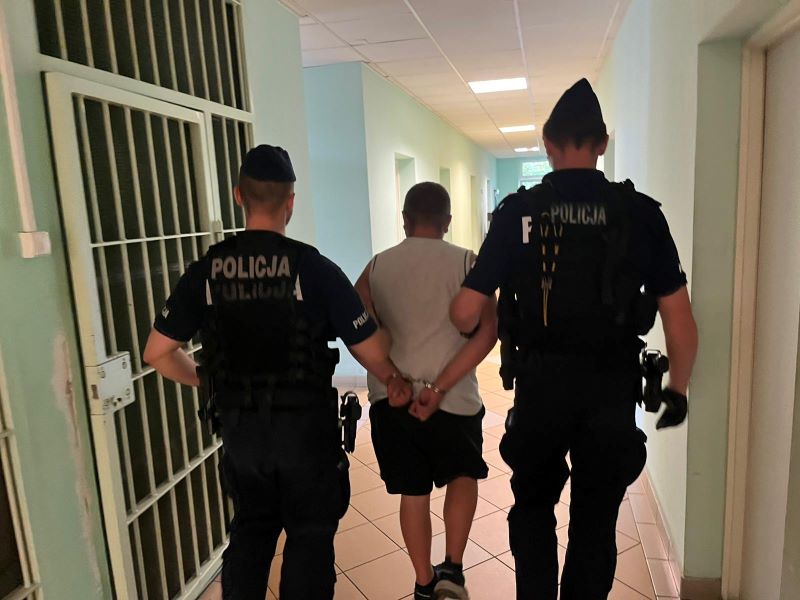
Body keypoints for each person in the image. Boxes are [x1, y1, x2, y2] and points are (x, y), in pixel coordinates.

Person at [450, 79, 698, 600]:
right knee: (596, 518)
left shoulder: (517, 213)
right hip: (611, 388)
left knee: (533, 509)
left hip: (540, 388)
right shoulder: (641, 214)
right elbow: (679, 318)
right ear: (602, 143)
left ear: (548, 144)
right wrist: (677, 389)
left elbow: (466, 311)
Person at [142, 145, 410, 600]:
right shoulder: (314, 268)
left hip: (243, 436)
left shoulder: (207, 271)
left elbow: (156, 353)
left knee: (251, 531)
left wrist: (210, 380)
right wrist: (394, 376)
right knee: (309, 536)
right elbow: (372, 351)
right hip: (306, 437)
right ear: (291, 202)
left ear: (238, 196)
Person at [354, 182, 497, 600]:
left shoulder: (376, 267)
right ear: (447, 221)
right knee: (463, 474)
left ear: (404, 219)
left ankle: (422, 582)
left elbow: (358, 331)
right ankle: (452, 570)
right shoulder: (469, 263)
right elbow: (489, 332)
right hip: (455, 401)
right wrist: (439, 386)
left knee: (413, 493)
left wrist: (392, 379)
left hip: (393, 401)